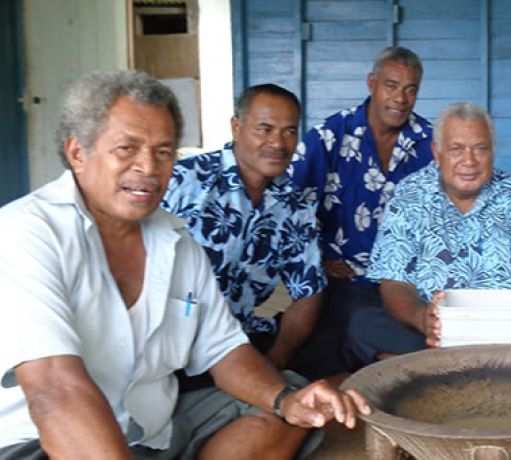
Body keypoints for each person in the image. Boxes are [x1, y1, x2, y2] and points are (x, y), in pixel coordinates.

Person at [0, 71, 369, 460]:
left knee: (289, 409)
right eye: (127, 148)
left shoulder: (176, 240)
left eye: (163, 152)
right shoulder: (28, 232)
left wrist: (285, 401)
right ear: (78, 153)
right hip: (44, 442)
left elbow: (223, 348)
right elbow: (55, 389)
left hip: (154, 429)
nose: (148, 167)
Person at [346, 102, 511, 366]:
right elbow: (394, 283)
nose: (469, 161)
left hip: (505, 328)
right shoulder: (409, 196)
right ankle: (509, 361)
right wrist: (423, 319)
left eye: (480, 149)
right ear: (437, 153)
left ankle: (438, 367)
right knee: (363, 325)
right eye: (456, 149)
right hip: (437, 332)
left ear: (492, 152)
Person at [162, 84, 332, 381]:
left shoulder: (294, 205)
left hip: (236, 340)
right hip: (168, 340)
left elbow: (308, 292)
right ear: (236, 127)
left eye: (289, 131)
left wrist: (274, 363)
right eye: (264, 129)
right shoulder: (183, 181)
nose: (277, 143)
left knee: (331, 351)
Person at [291, 46, 433, 367]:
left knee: (418, 327)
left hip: (411, 278)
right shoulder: (332, 134)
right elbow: (291, 199)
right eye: (391, 86)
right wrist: (319, 254)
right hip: (349, 276)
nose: (400, 98)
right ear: (372, 83)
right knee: (340, 337)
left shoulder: (428, 141)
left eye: (411, 90)